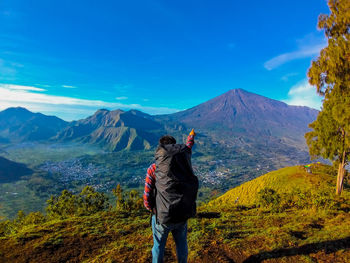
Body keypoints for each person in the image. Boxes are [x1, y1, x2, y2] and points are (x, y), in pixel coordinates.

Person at [143, 129, 198, 263]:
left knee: (158, 246)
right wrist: (191, 136)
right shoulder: (184, 165)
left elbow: (147, 195)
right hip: (182, 212)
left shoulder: (154, 168)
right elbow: (189, 146)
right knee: (181, 245)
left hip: (162, 215)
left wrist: (152, 209)